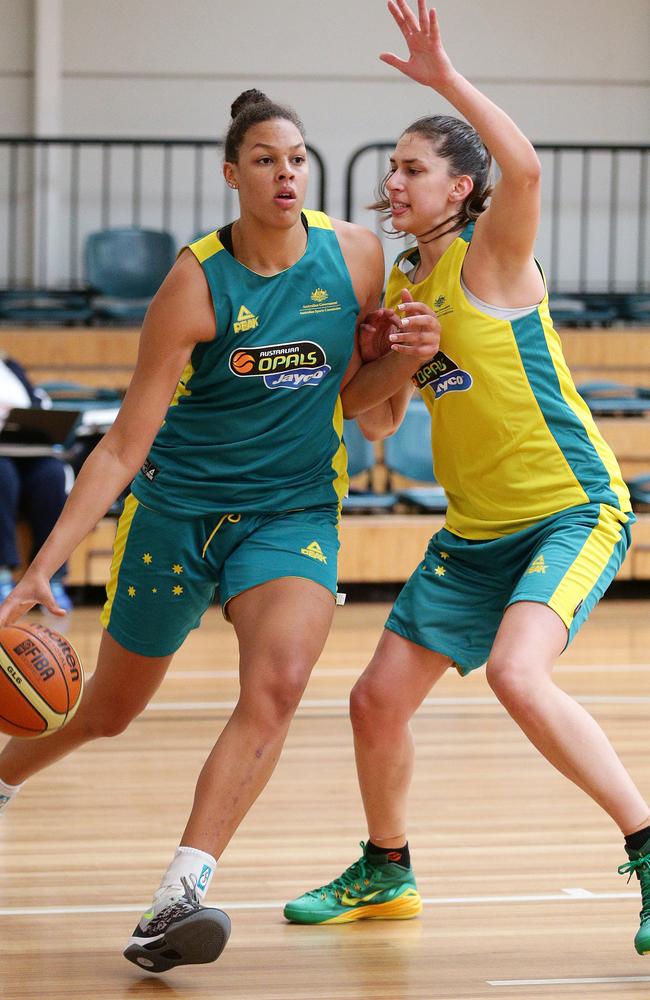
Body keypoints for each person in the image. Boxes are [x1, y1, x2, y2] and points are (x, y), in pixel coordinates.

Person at [0, 89, 439, 973]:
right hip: (174, 513)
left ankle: (177, 900)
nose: (287, 173)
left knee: (276, 687)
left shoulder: (355, 258)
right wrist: (40, 568)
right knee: (107, 713)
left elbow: (370, 417)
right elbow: (125, 445)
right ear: (232, 173)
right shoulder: (194, 284)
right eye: (268, 159)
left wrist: (403, 357)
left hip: (291, 514)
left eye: (299, 158)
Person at [284, 0, 650, 958]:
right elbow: (375, 419)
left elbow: (526, 167)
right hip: (477, 533)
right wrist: (392, 355)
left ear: (462, 186)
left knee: (518, 675)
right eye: (392, 167)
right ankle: (386, 868)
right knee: (373, 701)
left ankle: (649, 847)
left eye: (412, 167)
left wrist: (446, 78)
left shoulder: (494, 255)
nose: (392, 181)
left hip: (571, 508)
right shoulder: (405, 283)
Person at [0, 354, 73, 611]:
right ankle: (3, 575)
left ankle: (52, 576)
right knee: (2, 475)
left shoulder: (10, 366)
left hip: (28, 451)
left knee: (52, 475)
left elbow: (41, 403)